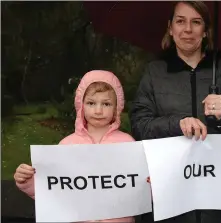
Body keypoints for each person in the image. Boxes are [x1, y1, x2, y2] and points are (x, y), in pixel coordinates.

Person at [130, 1, 221, 223]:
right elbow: (139, 125)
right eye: (180, 21)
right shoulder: (155, 72)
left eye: (196, 22)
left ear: (206, 31)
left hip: (217, 201)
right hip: (168, 201)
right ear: (170, 28)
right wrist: (177, 123)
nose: (188, 29)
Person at [14, 70, 136, 223]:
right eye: (91, 103)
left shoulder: (128, 144)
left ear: (117, 107)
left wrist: (150, 184)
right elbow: (53, 191)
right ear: (81, 105)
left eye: (106, 103)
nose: (98, 111)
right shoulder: (66, 145)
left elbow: (139, 187)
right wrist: (29, 181)